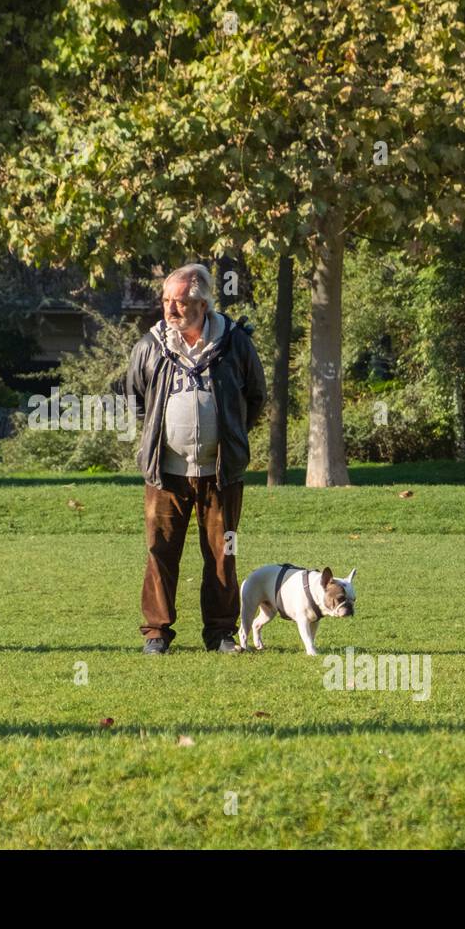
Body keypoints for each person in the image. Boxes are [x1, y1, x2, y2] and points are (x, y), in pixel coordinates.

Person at [125, 263, 266, 654]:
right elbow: (136, 400)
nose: (171, 309)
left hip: (220, 473)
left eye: (181, 302)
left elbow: (255, 397)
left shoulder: (235, 342)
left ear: (203, 304)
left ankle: (220, 633)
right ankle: (156, 633)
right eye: (167, 301)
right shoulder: (150, 345)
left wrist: (230, 436)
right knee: (159, 552)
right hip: (165, 473)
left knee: (223, 553)